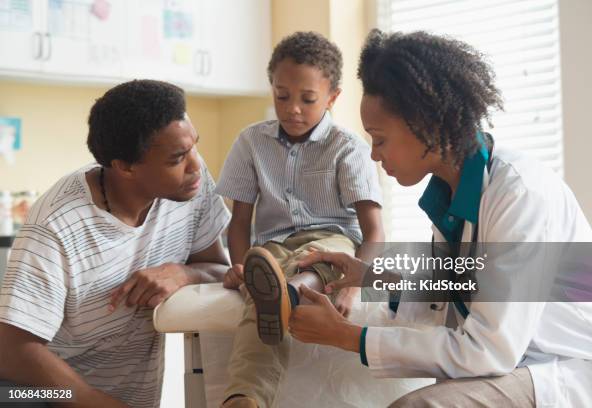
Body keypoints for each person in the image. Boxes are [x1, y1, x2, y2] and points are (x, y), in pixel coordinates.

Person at [289, 29, 592, 407]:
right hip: (524, 363)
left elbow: (489, 349)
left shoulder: (520, 195)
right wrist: (367, 275)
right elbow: (446, 294)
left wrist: (346, 335)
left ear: (425, 125)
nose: (374, 155)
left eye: (379, 139)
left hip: (574, 369)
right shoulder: (452, 195)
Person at [0, 80, 231, 408]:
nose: (195, 164)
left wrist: (183, 274)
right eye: (177, 157)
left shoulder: (190, 183)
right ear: (125, 167)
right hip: (42, 394)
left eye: (194, 145)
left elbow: (220, 268)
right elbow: (11, 351)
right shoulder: (56, 225)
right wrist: (98, 403)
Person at [214, 31, 384, 408]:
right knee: (262, 284)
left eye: (308, 100)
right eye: (281, 96)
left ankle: (287, 292)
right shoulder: (250, 142)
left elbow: (374, 231)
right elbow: (239, 221)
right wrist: (240, 267)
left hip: (332, 241)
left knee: (315, 260)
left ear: (332, 97)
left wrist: (355, 284)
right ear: (271, 88)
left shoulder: (348, 147)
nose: (293, 108)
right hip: (272, 247)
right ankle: (245, 398)